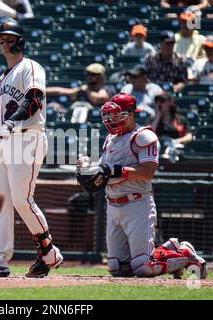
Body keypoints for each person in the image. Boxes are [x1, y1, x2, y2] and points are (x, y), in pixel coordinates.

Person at [76, 93, 207, 279]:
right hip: (112, 205)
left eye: (116, 114)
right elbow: (106, 170)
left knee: (142, 266)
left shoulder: (143, 136)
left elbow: (147, 172)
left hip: (136, 204)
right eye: (109, 115)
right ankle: (170, 249)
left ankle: (185, 254)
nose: (111, 119)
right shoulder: (110, 138)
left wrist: (113, 170)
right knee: (117, 268)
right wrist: (90, 170)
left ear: (130, 114)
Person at [0, 20, 63, 278]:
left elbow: (35, 99)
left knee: (22, 200)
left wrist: (11, 124)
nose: (6, 43)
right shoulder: (0, 80)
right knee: (0, 201)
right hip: (4, 141)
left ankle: (49, 253)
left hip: (27, 138)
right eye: (2, 40)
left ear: (21, 41)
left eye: (10, 39)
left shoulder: (30, 66)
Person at [46, 63, 111, 108]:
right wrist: (41, 90)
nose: (90, 77)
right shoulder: (83, 89)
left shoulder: (106, 89)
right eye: (88, 74)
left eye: (93, 74)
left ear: (101, 76)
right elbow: (61, 91)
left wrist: (87, 90)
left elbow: (98, 99)